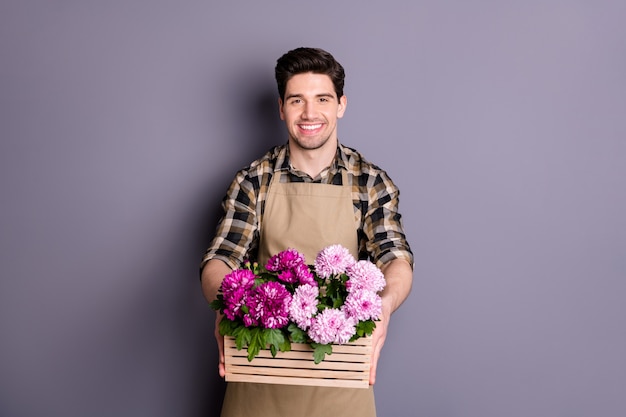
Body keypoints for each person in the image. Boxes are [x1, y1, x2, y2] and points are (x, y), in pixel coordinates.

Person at [200, 47, 414, 417]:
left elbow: (395, 257)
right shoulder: (255, 180)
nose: (310, 113)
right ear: (282, 108)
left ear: (341, 105)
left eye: (322, 99)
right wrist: (225, 303)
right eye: (297, 100)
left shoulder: (369, 182)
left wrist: (384, 305)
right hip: (260, 379)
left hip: (341, 382)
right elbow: (221, 259)